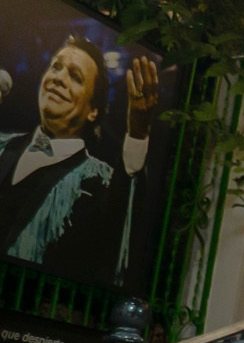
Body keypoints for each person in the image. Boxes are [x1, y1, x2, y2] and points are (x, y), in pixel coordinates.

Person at [0, 38, 156, 285]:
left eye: (75, 76)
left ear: (93, 111)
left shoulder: (100, 183)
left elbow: (124, 228)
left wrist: (137, 133)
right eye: (56, 67)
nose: (58, 78)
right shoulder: (3, 146)